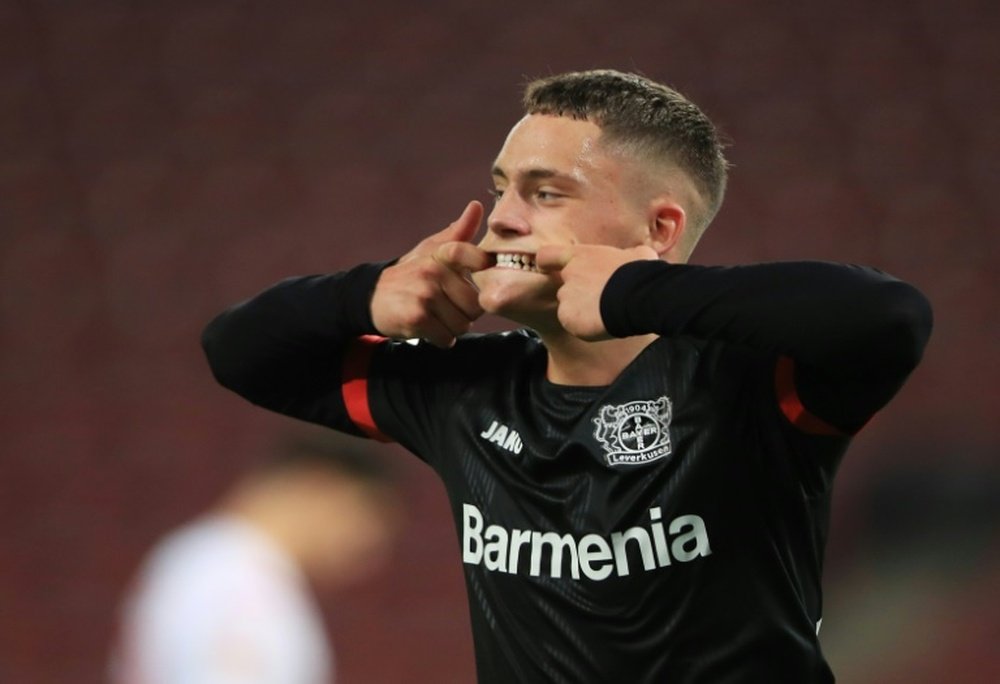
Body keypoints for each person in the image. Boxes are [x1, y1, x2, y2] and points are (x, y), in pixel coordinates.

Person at [201, 69, 933, 682]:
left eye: (546, 193)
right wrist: (365, 292)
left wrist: (634, 293)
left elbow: (890, 317)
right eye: (502, 189)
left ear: (661, 229)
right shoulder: (462, 389)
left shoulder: (749, 384)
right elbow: (240, 352)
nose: (504, 218)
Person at [109, 430, 399, 684]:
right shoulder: (234, 579)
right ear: (323, 487)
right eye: (368, 524)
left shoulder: (216, 564)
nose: (367, 557)